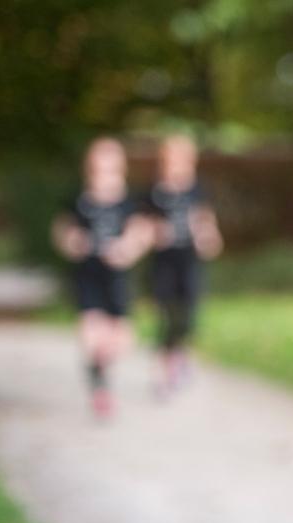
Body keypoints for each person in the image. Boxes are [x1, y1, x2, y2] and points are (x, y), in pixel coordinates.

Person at [51, 137, 153, 418]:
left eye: (108, 168)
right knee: (90, 333)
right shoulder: (79, 201)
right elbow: (62, 231)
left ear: (120, 169)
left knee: (121, 340)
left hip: (117, 278)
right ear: (89, 169)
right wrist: (72, 242)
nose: (102, 175)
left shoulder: (129, 203)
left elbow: (142, 232)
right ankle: (100, 388)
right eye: (97, 168)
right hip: (88, 275)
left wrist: (127, 249)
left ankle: (102, 366)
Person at [144, 134, 222, 396]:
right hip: (164, 264)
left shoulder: (197, 191)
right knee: (166, 315)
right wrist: (157, 233)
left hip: (189, 263)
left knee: (188, 315)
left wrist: (208, 238)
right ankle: (164, 370)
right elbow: (142, 228)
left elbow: (207, 223)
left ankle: (180, 355)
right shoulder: (155, 193)